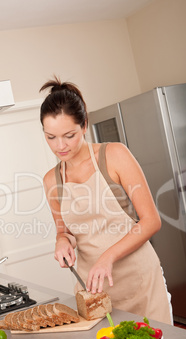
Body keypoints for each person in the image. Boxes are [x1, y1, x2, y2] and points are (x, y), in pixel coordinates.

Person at [40, 76, 173, 325]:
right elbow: (64, 231)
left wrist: (107, 257)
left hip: (140, 281)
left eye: (68, 135)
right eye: (51, 137)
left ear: (84, 125)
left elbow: (151, 221)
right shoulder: (51, 180)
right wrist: (61, 242)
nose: (60, 146)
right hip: (94, 292)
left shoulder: (114, 155)